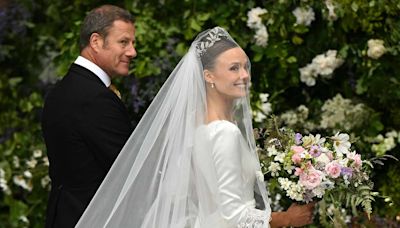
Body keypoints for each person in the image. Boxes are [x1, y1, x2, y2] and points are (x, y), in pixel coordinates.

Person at [75, 27, 314, 228]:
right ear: (208, 76)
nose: (244, 75)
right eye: (233, 68)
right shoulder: (224, 133)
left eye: (244, 67)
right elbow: (234, 215)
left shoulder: (197, 128)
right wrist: (288, 219)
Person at [41, 5, 136, 228]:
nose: (132, 52)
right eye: (123, 42)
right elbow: (130, 170)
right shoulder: (95, 98)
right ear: (95, 42)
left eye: (133, 43)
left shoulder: (62, 90)